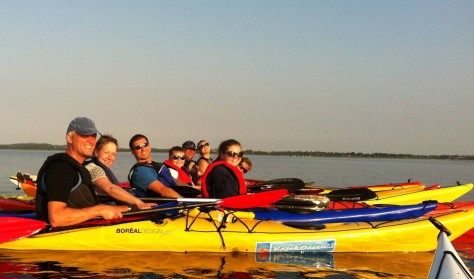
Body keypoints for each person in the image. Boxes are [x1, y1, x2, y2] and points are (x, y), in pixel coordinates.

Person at [36, 117, 124, 227]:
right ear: (69, 138)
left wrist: (135, 206)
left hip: (85, 230)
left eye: (93, 136)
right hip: (63, 238)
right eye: (84, 135)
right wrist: (99, 210)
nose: (91, 141)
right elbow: (57, 218)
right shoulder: (61, 168)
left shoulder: (79, 167)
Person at [85, 135, 155, 210]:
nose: (110, 157)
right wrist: (139, 203)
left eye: (113, 154)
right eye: (106, 152)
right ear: (96, 152)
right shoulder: (92, 168)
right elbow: (110, 189)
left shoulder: (100, 168)